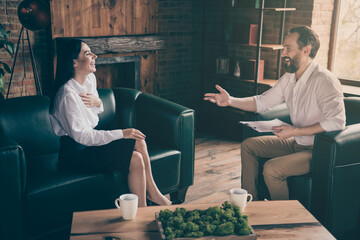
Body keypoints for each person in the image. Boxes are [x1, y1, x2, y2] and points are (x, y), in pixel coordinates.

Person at [204, 26, 346, 200]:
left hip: (316, 151)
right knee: (249, 146)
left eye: (288, 48)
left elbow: (337, 122)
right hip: (296, 142)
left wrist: (295, 131)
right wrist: (231, 100)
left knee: (272, 169)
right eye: (283, 47)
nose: (283, 53)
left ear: (306, 50)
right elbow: (262, 102)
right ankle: (251, 205)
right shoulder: (289, 78)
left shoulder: (324, 80)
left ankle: (281, 219)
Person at [49, 38, 171, 207]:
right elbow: (83, 136)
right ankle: (148, 204)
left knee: (138, 140)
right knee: (134, 156)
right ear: (75, 63)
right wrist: (122, 133)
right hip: (76, 153)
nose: (95, 56)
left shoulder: (90, 79)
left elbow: (97, 111)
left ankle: (152, 196)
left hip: (90, 144)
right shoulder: (66, 96)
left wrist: (98, 102)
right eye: (88, 53)